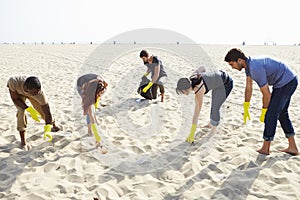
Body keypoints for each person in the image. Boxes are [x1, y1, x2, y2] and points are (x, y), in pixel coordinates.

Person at [224, 48, 299, 155]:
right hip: (284, 82)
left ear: (239, 60)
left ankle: (265, 148)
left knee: (271, 115)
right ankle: (293, 147)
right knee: (282, 113)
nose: (232, 68)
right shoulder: (248, 67)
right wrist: (246, 107)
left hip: (287, 82)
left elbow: (266, 94)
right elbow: (248, 88)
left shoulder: (254, 68)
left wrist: (264, 111)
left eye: (232, 64)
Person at [176, 67, 233, 143]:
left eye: (182, 92)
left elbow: (196, 115)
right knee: (214, 103)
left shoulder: (199, 91)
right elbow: (202, 68)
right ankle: (210, 124)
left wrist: (192, 134)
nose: (182, 93)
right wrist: (209, 78)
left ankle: (214, 130)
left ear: (185, 89)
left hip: (226, 83)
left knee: (215, 107)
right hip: (218, 81)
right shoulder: (192, 78)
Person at [7, 76, 60, 150]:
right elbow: (15, 99)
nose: (36, 94)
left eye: (37, 92)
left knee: (42, 112)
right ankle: (23, 142)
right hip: (18, 95)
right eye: (34, 93)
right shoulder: (14, 82)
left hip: (28, 92)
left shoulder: (39, 94)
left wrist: (48, 128)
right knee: (21, 111)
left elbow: (47, 112)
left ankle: (53, 125)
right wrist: (29, 109)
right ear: (26, 88)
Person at [76, 74, 108, 153]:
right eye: (100, 93)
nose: (101, 94)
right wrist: (98, 139)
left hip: (93, 83)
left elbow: (104, 87)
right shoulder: (85, 92)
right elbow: (92, 119)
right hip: (81, 84)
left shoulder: (102, 84)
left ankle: (94, 113)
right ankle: (89, 130)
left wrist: (100, 93)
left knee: (95, 104)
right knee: (89, 109)